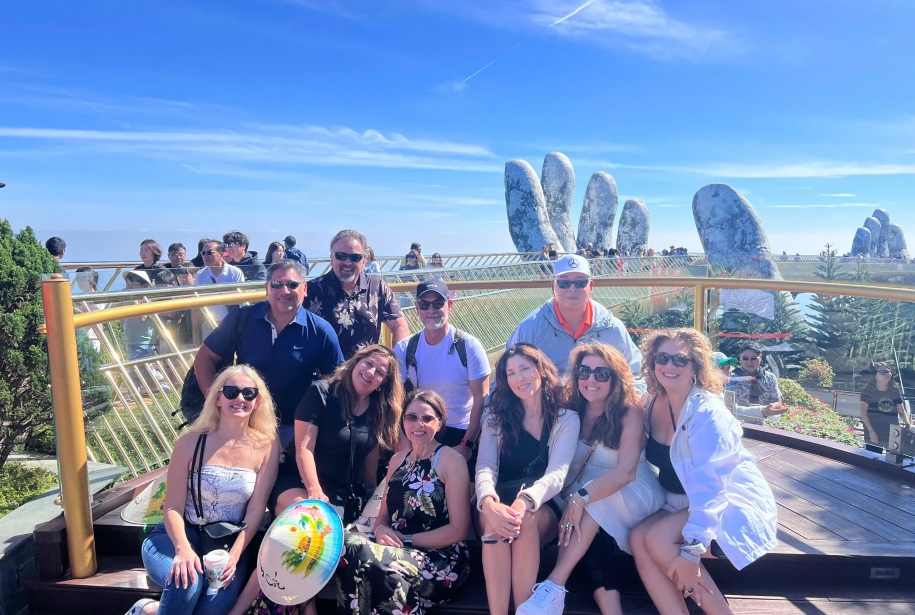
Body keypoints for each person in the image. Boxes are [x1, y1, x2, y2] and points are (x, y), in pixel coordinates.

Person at [229, 345, 402, 615]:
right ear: (356, 362)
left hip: (341, 494)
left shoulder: (377, 409)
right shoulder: (322, 392)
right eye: (368, 363)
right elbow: (303, 449)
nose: (371, 372)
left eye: (380, 372)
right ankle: (239, 610)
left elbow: (370, 455)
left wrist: (372, 495)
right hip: (298, 481)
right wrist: (314, 491)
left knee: (319, 548)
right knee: (305, 533)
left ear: (383, 383)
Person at [629, 329, 777, 615]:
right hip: (683, 500)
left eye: (680, 360)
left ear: (696, 367)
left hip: (727, 502)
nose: (669, 365)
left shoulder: (707, 413)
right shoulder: (651, 401)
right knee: (637, 537)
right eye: (662, 357)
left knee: (657, 539)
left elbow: (712, 488)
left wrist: (692, 552)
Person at [516, 343, 664, 615]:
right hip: (581, 493)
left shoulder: (628, 413)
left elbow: (626, 472)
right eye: (584, 372)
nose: (591, 379)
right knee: (593, 537)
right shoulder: (569, 407)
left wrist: (580, 498)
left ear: (616, 378)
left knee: (593, 504)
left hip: (632, 488)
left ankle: (553, 585)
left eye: (601, 373)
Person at [131, 365, 279, 615]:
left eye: (248, 393)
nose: (240, 398)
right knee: (186, 583)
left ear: (257, 401)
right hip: (176, 536)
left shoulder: (267, 447)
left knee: (214, 607)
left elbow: (255, 510)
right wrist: (182, 549)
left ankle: (148, 611)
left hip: (226, 543)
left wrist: (234, 556)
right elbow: (173, 507)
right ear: (218, 398)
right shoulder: (190, 442)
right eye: (231, 392)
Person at [335, 390, 471, 615]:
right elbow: (383, 515)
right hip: (397, 548)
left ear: (439, 423)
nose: (418, 424)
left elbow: (459, 530)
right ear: (403, 421)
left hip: (441, 559)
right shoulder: (397, 461)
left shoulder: (451, 461)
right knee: (345, 544)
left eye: (427, 418)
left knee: (376, 562)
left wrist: (405, 540)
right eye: (412, 417)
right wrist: (381, 530)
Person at [475, 344, 580, 615]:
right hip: (498, 499)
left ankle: (524, 610)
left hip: (541, 506)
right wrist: (487, 501)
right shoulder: (495, 417)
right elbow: (486, 465)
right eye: (511, 373)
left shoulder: (566, 418)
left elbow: (557, 474)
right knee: (496, 522)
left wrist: (525, 500)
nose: (519, 378)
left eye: (524, 369)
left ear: (541, 370)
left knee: (524, 520)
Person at [194, 259, 342, 440]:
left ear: (304, 289)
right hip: (244, 423)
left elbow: (333, 381)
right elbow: (204, 358)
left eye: (292, 285)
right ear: (267, 288)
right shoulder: (242, 318)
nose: (284, 291)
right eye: (277, 284)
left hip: (294, 428)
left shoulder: (321, 330)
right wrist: (217, 403)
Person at [394, 279, 490, 462]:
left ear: (449, 305)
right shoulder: (405, 348)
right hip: (422, 428)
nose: (431, 310)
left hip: (460, 430)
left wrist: (467, 444)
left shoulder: (469, 346)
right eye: (425, 304)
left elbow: (481, 398)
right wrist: (402, 438)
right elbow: (392, 397)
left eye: (438, 303)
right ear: (417, 308)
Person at [507, 254, 642, 379]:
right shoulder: (531, 326)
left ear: (591, 286)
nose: (572, 288)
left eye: (580, 282)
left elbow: (636, 373)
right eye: (564, 283)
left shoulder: (613, 327)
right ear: (553, 287)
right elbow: (506, 372)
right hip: (549, 398)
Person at [306, 229, 409, 358]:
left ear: (364, 262)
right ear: (331, 259)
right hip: (325, 370)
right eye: (341, 256)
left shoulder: (377, 286)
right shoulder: (311, 290)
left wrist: (397, 361)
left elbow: (399, 325)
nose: (347, 262)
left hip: (366, 369)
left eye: (355, 257)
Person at [725, 342, 785, 421]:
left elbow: (779, 403)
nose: (749, 362)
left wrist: (764, 409)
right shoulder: (731, 379)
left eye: (753, 358)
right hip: (738, 423)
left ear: (760, 357)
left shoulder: (770, 378)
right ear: (740, 358)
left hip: (764, 424)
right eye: (745, 358)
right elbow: (727, 406)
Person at [860, 362, 911, 450]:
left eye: (888, 371)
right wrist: (871, 432)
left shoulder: (895, 391)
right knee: (873, 456)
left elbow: (902, 411)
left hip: (892, 432)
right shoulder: (868, 391)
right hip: (874, 430)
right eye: (882, 372)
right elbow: (863, 414)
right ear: (875, 375)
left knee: (892, 456)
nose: (886, 374)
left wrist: (908, 425)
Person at [193, 240, 245, 323]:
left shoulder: (235, 273)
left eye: (209, 253)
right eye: (203, 253)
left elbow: (241, 302)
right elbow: (196, 305)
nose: (205, 256)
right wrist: (195, 329)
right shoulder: (200, 275)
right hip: (208, 323)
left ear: (221, 254)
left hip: (232, 322)